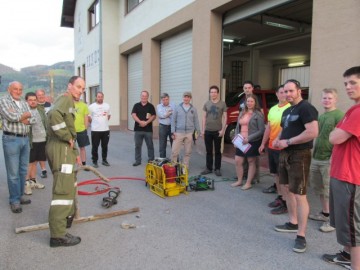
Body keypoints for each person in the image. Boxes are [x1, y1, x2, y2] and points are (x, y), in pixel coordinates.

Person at [273, 79, 318, 253]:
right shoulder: (288, 110)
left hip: (300, 154)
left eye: (291, 91)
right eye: (285, 91)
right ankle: (293, 222)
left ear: (299, 91)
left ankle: (301, 235)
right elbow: (285, 130)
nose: (288, 94)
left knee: (299, 194)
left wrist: (288, 141)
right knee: (287, 189)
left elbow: (312, 132)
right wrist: (279, 140)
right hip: (285, 153)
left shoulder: (306, 108)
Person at [322, 66, 360, 270]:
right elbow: (337, 137)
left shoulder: (358, 111)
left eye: (353, 82)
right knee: (346, 226)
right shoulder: (353, 110)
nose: (348, 87)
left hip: (350, 177)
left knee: (353, 229)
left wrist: (338, 132)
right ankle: (346, 255)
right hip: (342, 174)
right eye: (345, 83)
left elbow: (334, 137)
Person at [46, 76, 84, 247]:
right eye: (78, 87)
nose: (80, 91)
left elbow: (69, 128)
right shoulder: (65, 99)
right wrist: (66, 136)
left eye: (83, 88)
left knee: (69, 186)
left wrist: (74, 151)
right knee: (62, 191)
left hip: (65, 150)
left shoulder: (69, 102)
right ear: (70, 86)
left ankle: (65, 220)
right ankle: (58, 235)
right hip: (60, 149)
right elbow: (53, 115)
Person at [308, 88, 344, 232]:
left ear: (335, 99)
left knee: (330, 191)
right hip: (317, 157)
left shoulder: (339, 116)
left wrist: (333, 158)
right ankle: (325, 213)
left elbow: (341, 139)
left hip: (329, 159)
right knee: (320, 189)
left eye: (329, 98)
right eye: (324, 98)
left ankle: (332, 221)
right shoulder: (322, 116)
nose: (326, 100)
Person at [0, 81, 32, 213]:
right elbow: (11, 116)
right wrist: (23, 116)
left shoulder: (24, 103)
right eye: (15, 89)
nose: (18, 91)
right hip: (11, 139)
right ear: (9, 89)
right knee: (13, 173)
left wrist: (22, 116)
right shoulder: (3, 101)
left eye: (20, 89)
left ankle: (20, 196)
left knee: (23, 171)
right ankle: (14, 200)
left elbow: (32, 117)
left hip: (25, 138)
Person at [259, 85, 290, 215]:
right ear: (277, 94)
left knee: (284, 176)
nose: (284, 95)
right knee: (275, 174)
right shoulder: (272, 109)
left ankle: (286, 202)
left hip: (282, 148)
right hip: (271, 146)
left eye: (286, 92)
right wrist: (263, 143)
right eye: (281, 92)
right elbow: (268, 128)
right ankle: (280, 197)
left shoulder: (290, 109)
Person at [231, 94, 265, 190]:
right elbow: (238, 127)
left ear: (255, 103)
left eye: (251, 101)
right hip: (241, 141)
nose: (249, 103)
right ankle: (239, 180)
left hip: (252, 141)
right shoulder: (242, 112)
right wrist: (236, 139)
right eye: (248, 101)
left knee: (251, 161)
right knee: (238, 160)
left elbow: (261, 130)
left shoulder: (258, 114)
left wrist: (249, 138)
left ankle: (248, 182)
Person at [201, 85, 227, 176]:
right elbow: (204, 117)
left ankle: (217, 168)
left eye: (215, 92)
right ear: (209, 93)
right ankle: (208, 168)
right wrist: (203, 130)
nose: (213, 94)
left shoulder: (222, 104)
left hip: (218, 131)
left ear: (218, 93)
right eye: (211, 92)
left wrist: (223, 130)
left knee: (217, 151)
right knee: (208, 151)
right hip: (208, 130)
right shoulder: (206, 104)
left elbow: (225, 117)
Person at [24, 92, 47, 196]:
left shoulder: (41, 109)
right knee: (29, 163)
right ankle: (26, 184)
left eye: (34, 99)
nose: (33, 101)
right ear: (26, 101)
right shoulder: (24, 111)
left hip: (42, 139)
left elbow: (45, 123)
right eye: (30, 100)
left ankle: (33, 181)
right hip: (31, 141)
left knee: (35, 161)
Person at [171, 91, 200, 169]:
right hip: (178, 133)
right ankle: (173, 168)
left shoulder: (193, 109)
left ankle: (185, 169)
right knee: (174, 152)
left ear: (190, 98)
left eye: (188, 97)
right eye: (185, 97)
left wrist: (198, 131)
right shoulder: (177, 108)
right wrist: (173, 131)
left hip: (189, 133)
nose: (186, 98)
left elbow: (196, 121)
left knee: (187, 152)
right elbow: (173, 120)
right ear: (183, 98)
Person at [131, 90, 156, 166]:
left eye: (145, 96)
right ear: (140, 96)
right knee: (137, 146)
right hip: (138, 129)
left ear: (147, 97)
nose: (144, 97)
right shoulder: (136, 105)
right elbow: (133, 114)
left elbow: (153, 116)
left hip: (148, 130)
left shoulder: (151, 106)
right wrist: (140, 122)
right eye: (142, 96)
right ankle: (138, 160)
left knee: (150, 145)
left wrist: (146, 122)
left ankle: (151, 160)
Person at [88, 92, 111, 167]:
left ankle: (104, 160)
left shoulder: (107, 106)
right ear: (96, 97)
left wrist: (103, 122)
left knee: (105, 146)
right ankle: (95, 161)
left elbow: (109, 116)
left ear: (103, 97)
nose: (100, 98)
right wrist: (94, 123)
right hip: (95, 130)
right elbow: (89, 117)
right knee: (95, 146)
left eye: (101, 97)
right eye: (98, 97)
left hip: (105, 130)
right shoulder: (91, 106)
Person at [35, 89, 51, 178]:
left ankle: (54, 167)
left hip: (50, 132)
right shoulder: (35, 106)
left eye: (42, 94)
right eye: (39, 95)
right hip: (39, 132)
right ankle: (43, 170)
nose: (41, 96)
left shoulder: (49, 105)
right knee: (41, 152)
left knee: (51, 151)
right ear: (36, 96)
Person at [156, 93, 175, 158]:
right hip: (162, 127)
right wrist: (168, 114)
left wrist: (165, 114)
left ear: (169, 98)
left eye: (166, 99)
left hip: (172, 126)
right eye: (163, 100)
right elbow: (160, 115)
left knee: (174, 144)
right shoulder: (158, 106)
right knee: (162, 144)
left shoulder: (173, 105)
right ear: (161, 100)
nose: (165, 101)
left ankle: (175, 161)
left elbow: (174, 116)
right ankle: (162, 160)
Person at [74, 99, 90, 167]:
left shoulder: (84, 106)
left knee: (82, 148)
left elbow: (86, 118)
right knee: (71, 148)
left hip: (81, 130)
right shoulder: (70, 105)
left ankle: (83, 164)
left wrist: (85, 129)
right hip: (72, 131)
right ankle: (72, 164)